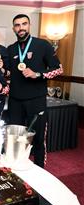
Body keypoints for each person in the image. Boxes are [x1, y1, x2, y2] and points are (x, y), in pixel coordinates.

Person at [7, 14, 63, 168]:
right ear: (14, 29)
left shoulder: (43, 45)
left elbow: (59, 69)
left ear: (29, 26)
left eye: (24, 24)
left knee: (38, 139)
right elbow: (6, 73)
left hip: (36, 100)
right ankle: (15, 170)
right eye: (17, 25)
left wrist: (37, 74)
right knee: (15, 139)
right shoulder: (11, 49)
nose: (21, 28)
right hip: (15, 101)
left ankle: (40, 172)